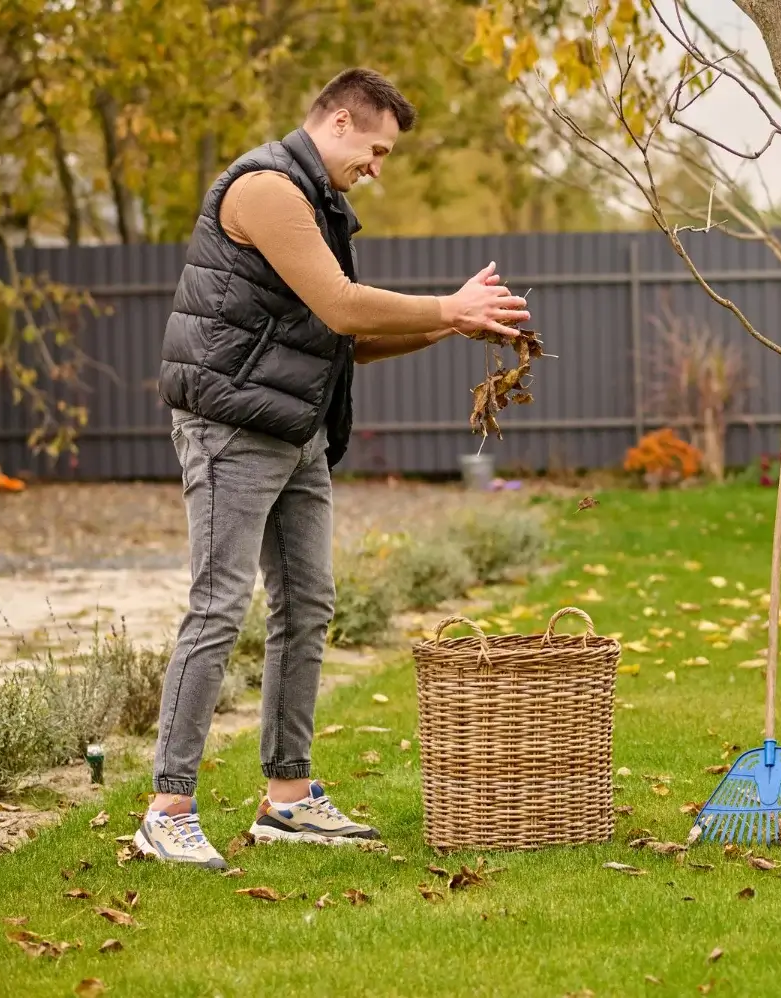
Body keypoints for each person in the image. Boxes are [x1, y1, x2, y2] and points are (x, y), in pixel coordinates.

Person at [138, 68, 530, 869]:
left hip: (297, 431)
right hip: (231, 424)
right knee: (218, 608)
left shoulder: (318, 203)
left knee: (308, 607)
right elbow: (344, 305)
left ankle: (287, 798)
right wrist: (449, 308)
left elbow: (342, 338)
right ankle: (166, 807)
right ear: (342, 121)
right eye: (377, 149)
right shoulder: (267, 190)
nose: (379, 167)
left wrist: (450, 327)